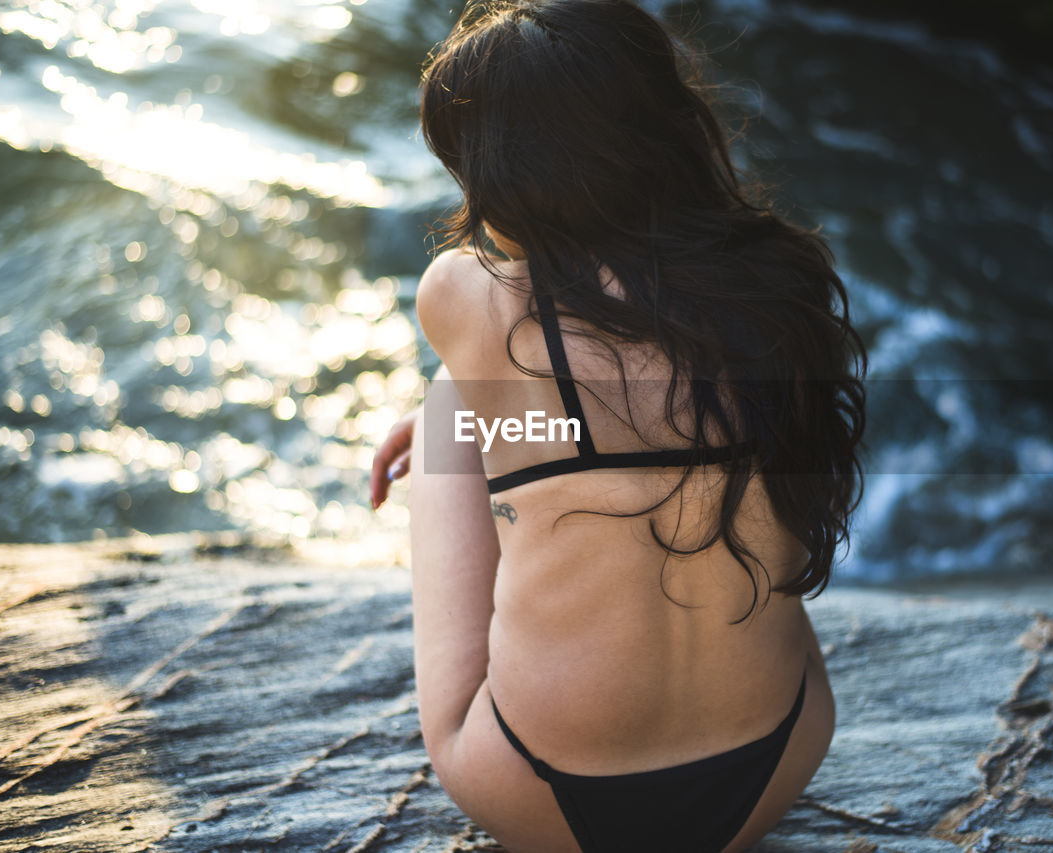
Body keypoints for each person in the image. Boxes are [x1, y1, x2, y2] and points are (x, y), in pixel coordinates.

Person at [369, 0, 866, 849]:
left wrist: (441, 414)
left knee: (452, 403)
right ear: (665, 124)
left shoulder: (460, 292)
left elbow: (516, 375)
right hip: (774, 761)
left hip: (541, 792)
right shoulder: (778, 278)